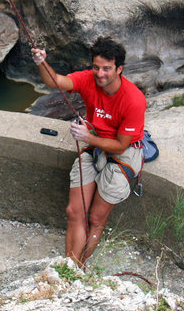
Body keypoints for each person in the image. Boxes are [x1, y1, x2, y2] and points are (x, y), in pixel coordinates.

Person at [32, 37, 146, 267]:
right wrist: (41, 63)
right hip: (94, 145)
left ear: (119, 69)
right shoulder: (88, 79)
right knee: (75, 212)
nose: (100, 74)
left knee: (95, 218)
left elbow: (121, 145)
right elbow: (55, 81)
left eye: (107, 69)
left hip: (121, 152)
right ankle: (69, 268)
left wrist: (87, 137)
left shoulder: (134, 100)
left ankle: (78, 268)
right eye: (96, 67)